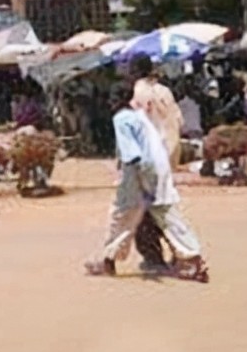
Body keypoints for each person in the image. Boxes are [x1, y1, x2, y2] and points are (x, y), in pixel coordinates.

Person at [85, 83, 209, 282]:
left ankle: (108, 262)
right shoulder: (140, 116)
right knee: (170, 218)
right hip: (159, 172)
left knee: (121, 218)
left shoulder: (122, 119)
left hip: (139, 177)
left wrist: (143, 185)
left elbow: (132, 155)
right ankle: (194, 259)